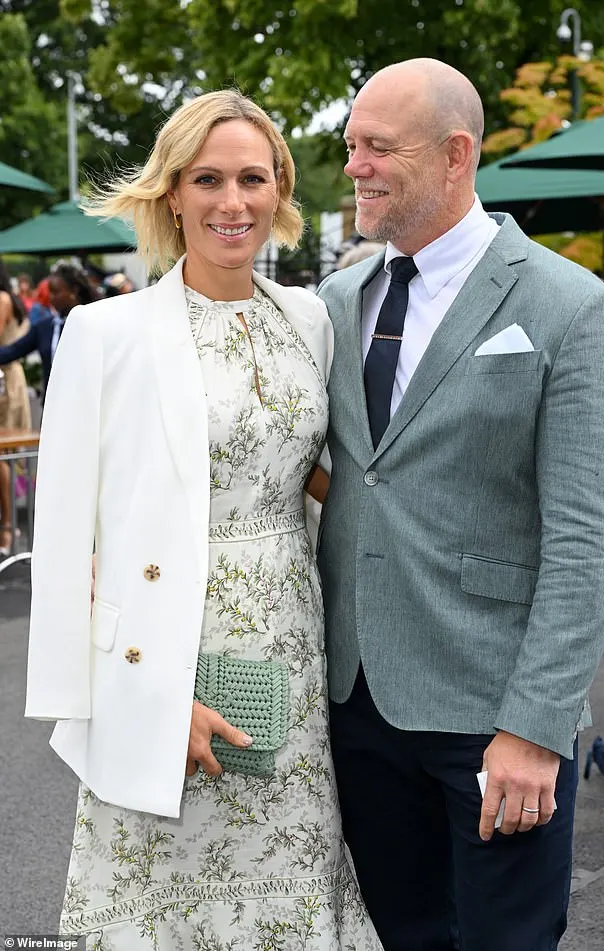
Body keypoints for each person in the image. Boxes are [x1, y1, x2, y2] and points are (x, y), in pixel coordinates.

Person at [24, 89, 381, 950]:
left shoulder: (311, 321)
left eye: (253, 179)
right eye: (208, 179)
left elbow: (323, 479)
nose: (233, 203)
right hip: (159, 665)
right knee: (167, 905)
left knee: (288, 894)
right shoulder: (104, 334)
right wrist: (143, 698)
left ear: (280, 189)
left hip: (291, 659)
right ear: (172, 193)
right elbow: (64, 545)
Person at [316, 58, 604, 951]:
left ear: (456, 155)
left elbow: (587, 536)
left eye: (378, 147)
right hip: (360, 704)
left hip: (496, 716)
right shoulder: (336, 304)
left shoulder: (575, 308)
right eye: (351, 146)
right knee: (407, 935)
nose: (355, 167)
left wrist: (534, 728)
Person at [0, 265, 96, 400]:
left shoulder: (92, 324)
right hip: (51, 405)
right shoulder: (45, 327)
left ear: (73, 291)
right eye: (49, 292)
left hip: (84, 402)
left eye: (55, 292)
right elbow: (12, 351)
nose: (51, 297)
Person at [0, 261, 32, 556]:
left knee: (5, 454)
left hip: (6, 381)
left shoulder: (2, 299)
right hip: (6, 378)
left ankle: (9, 527)